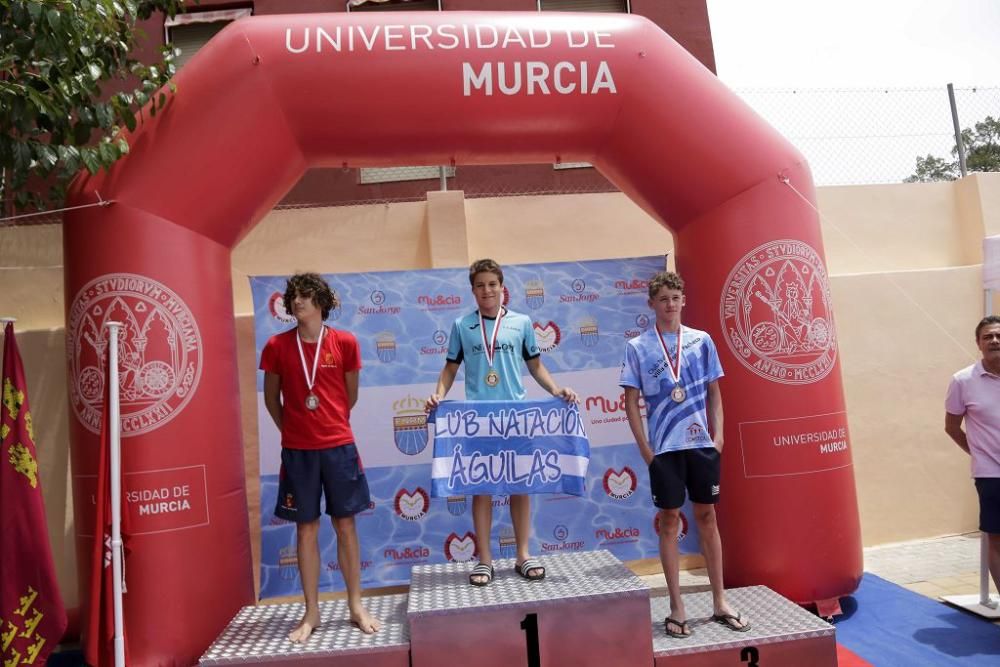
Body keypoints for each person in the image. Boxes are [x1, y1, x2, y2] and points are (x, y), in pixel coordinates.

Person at [425, 258, 578, 586]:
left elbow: (536, 366)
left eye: (492, 284)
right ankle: (484, 560)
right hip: (479, 420)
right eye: (480, 285)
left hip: (516, 418)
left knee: (520, 485)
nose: (487, 290)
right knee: (481, 487)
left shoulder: (521, 322)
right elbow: (450, 369)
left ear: (502, 287)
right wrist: (438, 394)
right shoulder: (462, 325)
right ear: (473, 290)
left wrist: (556, 389)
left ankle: (523, 554)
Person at [620, 271, 750, 638]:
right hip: (664, 447)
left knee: (708, 517)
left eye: (675, 299)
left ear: (683, 301)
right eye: (663, 299)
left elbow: (715, 392)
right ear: (651, 304)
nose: (670, 305)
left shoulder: (701, 341)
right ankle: (676, 606)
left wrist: (719, 436)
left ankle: (720, 600)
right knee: (670, 521)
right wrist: (646, 449)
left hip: (700, 445)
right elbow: (630, 401)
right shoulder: (639, 347)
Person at [260, 273, 381, 642]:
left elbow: (349, 397)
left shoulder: (345, 342)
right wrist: (294, 432)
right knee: (306, 529)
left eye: (306, 295)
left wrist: (328, 425)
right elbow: (271, 400)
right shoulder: (277, 345)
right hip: (298, 451)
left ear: (322, 302)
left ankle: (356, 604)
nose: (298, 301)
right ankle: (311, 612)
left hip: (339, 446)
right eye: (294, 295)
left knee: (346, 525)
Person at [945, 315, 1000, 599]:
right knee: (997, 541)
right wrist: (978, 453)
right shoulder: (963, 381)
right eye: (988, 336)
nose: (994, 341)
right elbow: (951, 427)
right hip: (991, 476)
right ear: (978, 343)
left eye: (998, 336)